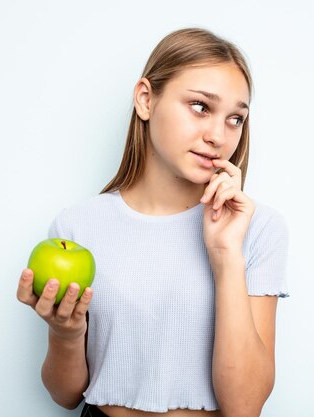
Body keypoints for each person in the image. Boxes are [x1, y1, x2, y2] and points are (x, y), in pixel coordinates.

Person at [17, 27, 290, 417]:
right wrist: (67, 332)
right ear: (146, 99)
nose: (218, 135)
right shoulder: (78, 226)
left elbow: (244, 408)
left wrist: (225, 254)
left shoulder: (257, 229)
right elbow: (65, 395)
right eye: (200, 106)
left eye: (235, 119)